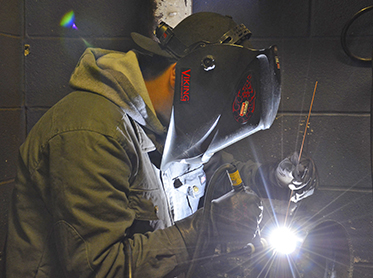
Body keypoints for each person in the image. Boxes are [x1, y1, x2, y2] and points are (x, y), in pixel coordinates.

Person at [5, 12, 317, 278]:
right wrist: (205, 228)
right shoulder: (91, 133)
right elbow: (100, 269)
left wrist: (273, 178)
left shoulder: (167, 125)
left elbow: (213, 171)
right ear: (178, 78)